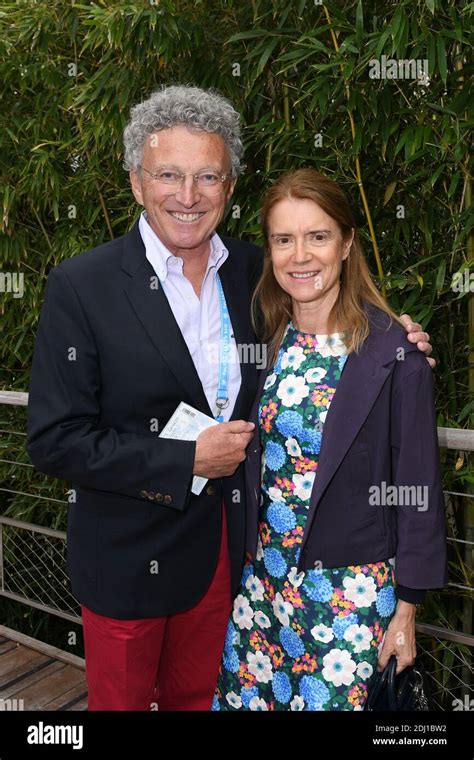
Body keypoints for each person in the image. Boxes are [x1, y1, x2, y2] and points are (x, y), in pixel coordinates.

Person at [26, 85, 434, 711]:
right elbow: (55, 439)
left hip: (233, 566)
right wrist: (184, 460)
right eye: (168, 174)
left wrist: (395, 339)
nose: (187, 196)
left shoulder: (257, 273)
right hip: (127, 559)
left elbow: (329, 310)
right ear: (137, 182)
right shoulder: (82, 285)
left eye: (207, 176)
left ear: (230, 186)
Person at [213, 168, 447, 712]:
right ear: (269, 250)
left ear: (346, 244)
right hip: (263, 589)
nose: (301, 255)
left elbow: (418, 491)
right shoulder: (266, 339)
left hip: (349, 600)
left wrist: (406, 612)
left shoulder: (395, 354)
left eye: (317, 236)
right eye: (283, 239)